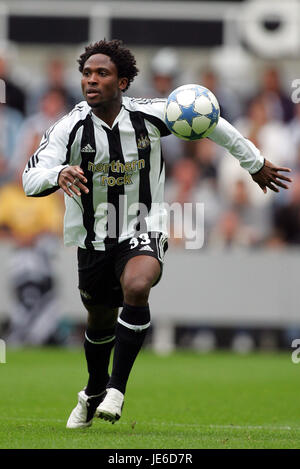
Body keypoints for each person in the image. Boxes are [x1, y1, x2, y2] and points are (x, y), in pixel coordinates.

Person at [22, 39, 292, 429]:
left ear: (124, 82)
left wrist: (253, 162)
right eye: (86, 74)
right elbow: (30, 177)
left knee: (137, 284)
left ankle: (117, 389)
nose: (91, 81)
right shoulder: (68, 127)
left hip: (143, 224)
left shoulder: (151, 114)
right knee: (99, 322)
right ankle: (95, 389)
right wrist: (56, 173)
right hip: (93, 238)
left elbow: (210, 120)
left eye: (102, 73)